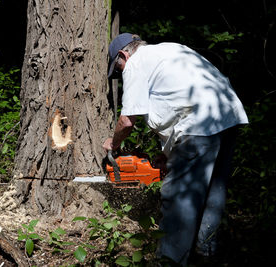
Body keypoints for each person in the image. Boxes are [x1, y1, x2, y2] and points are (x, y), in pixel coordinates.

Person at [102, 33, 248, 266]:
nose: (120, 72)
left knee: (178, 196)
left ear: (123, 55)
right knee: (213, 191)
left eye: (118, 68)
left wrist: (114, 143)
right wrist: (169, 154)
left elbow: (128, 120)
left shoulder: (136, 63)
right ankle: (205, 253)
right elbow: (178, 102)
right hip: (228, 115)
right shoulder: (170, 50)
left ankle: (170, 260)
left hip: (200, 124)